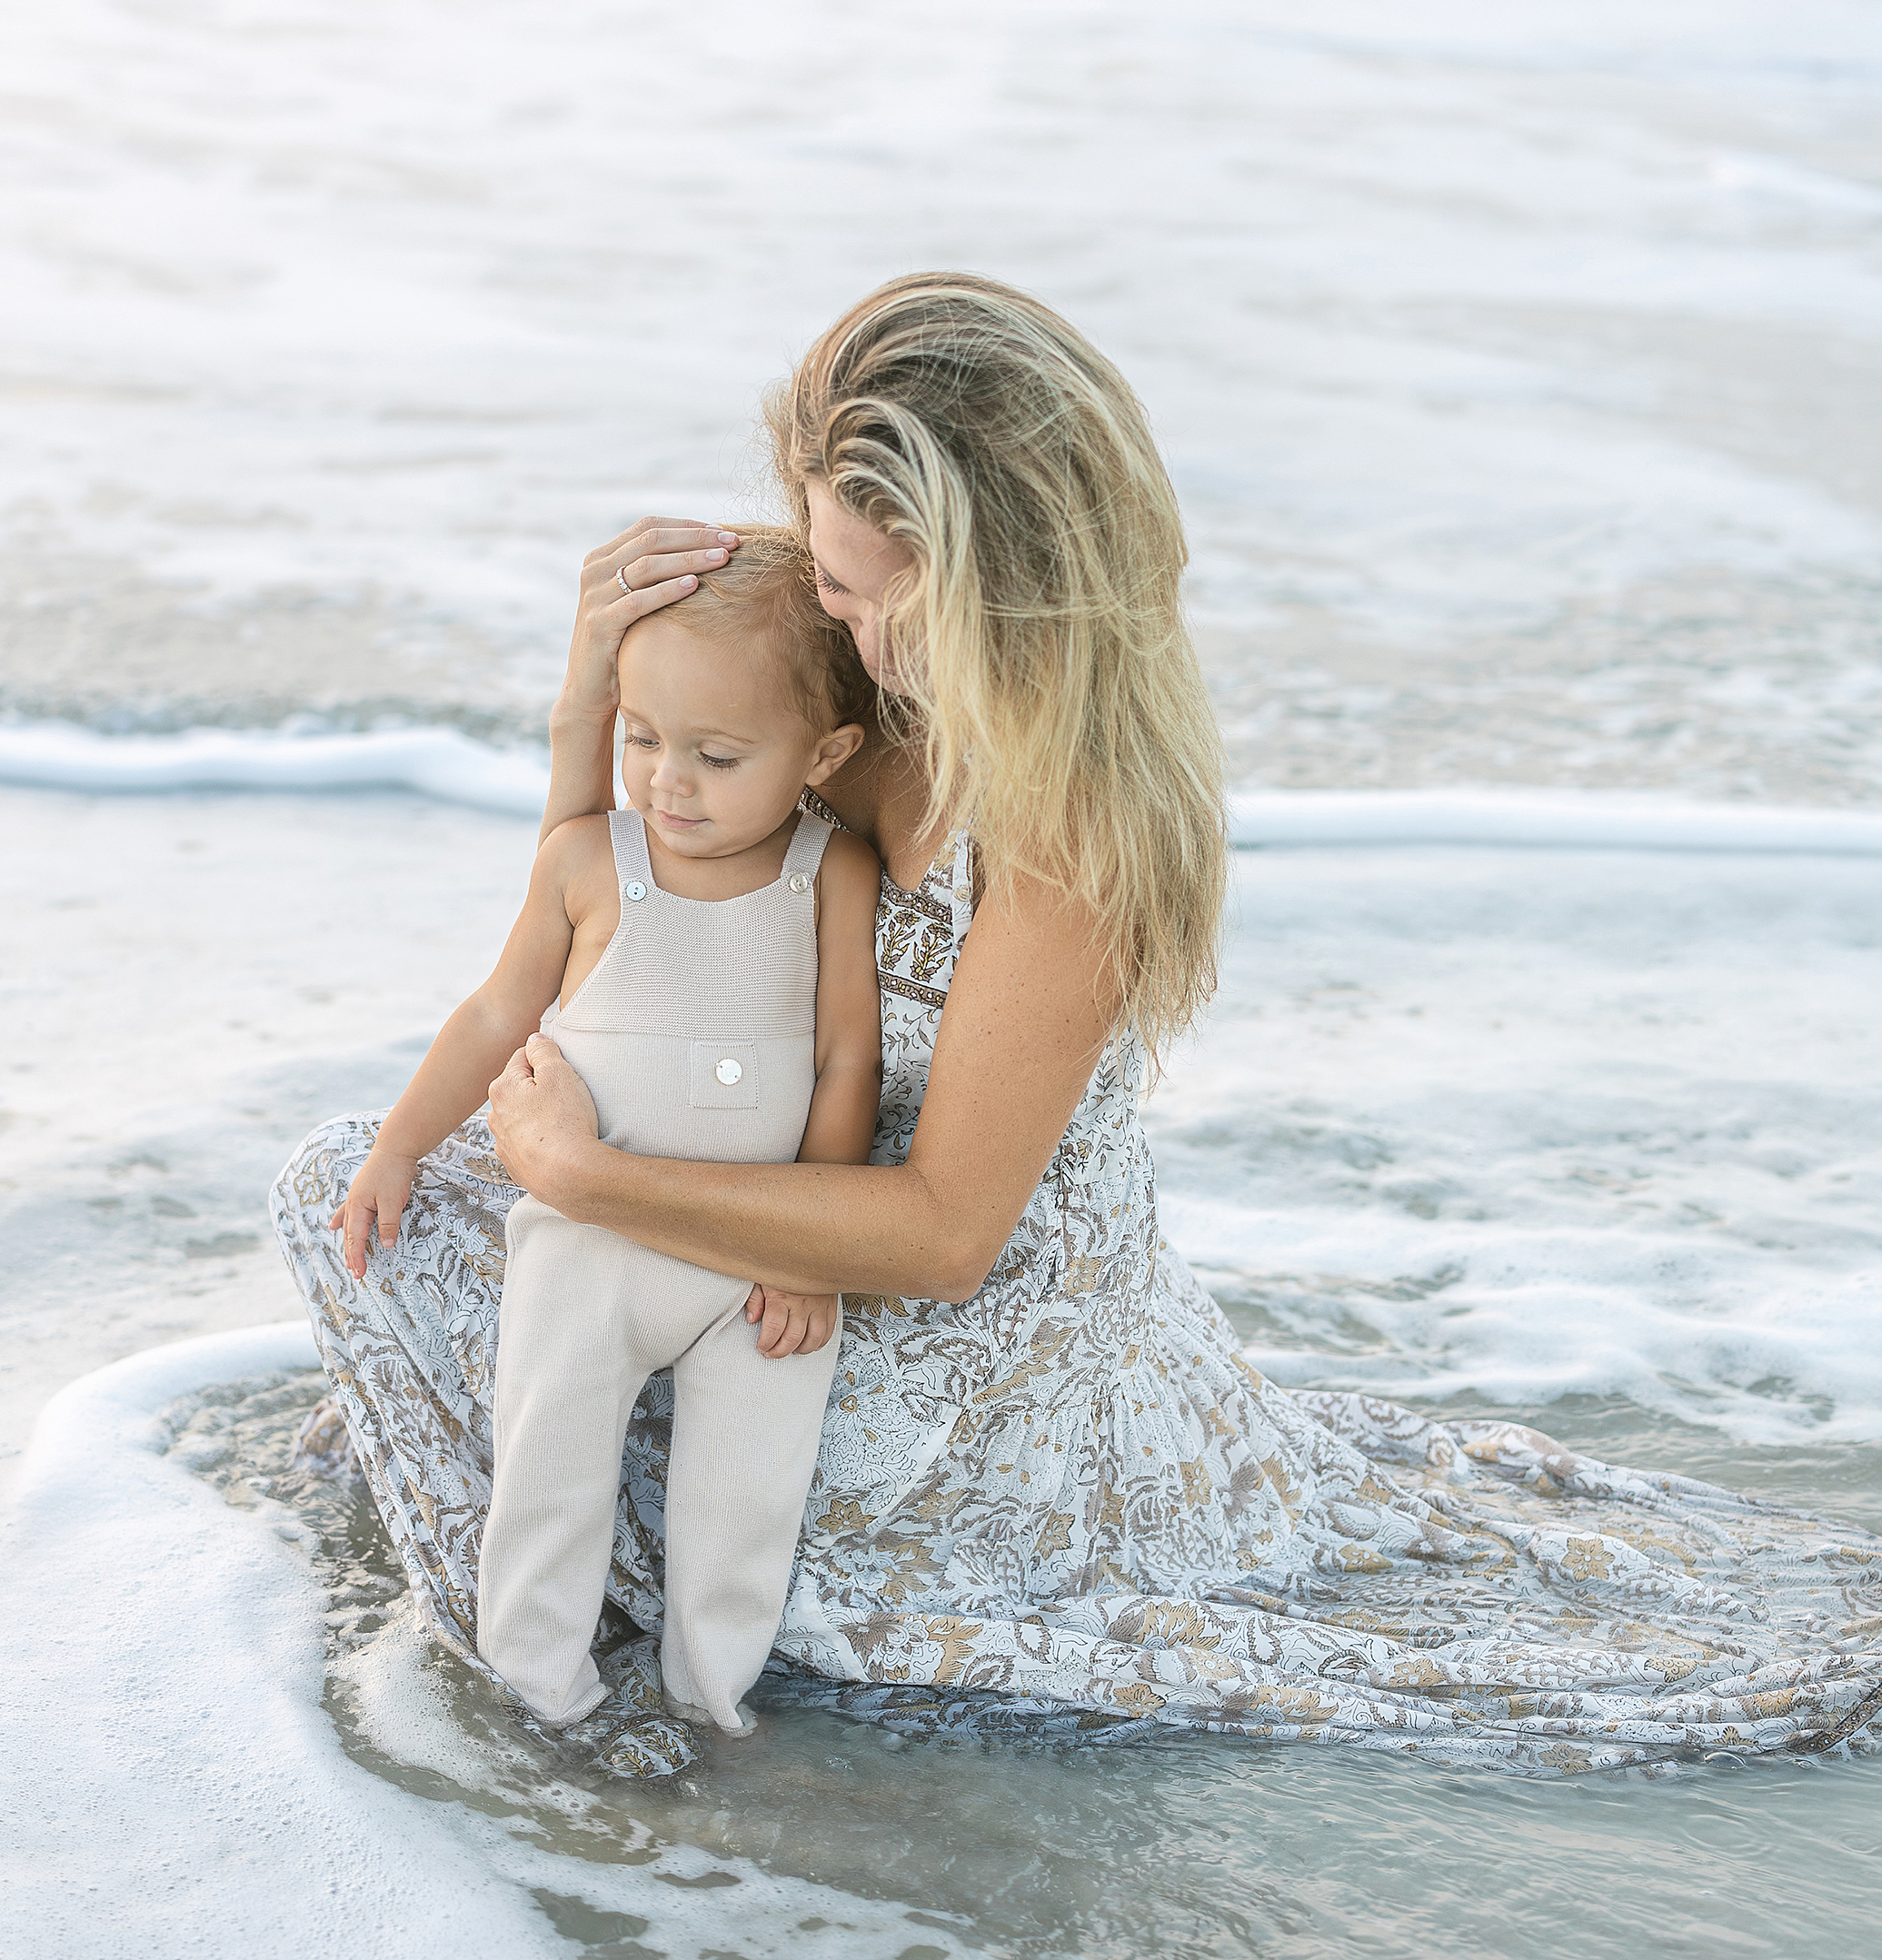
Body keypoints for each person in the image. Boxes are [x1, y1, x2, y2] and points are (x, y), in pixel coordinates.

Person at [274, 270, 1882, 1777]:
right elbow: (617, 914)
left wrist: (588, 1178)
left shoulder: (1069, 841)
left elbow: (944, 1231)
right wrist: (586, 698)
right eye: (829, 576)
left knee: (506, 1253)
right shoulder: (833, 697)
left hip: (949, 1329)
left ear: (1007, 593)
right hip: (771, 1179)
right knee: (365, 1181)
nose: (855, 635)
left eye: (886, 601)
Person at [324, 529, 882, 1753]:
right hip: (585, 1249)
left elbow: (850, 1064)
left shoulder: (829, 870)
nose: (668, 783)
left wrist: (813, 1248)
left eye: (717, 756)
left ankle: (713, 1700)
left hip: (755, 1260)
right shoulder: (590, 860)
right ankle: (542, 1698)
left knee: (745, 1499)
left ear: (825, 754)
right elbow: (493, 1013)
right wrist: (404, 1145)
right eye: (641, 739)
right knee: (550, 1470)